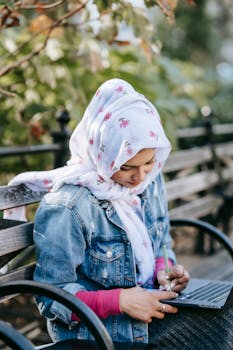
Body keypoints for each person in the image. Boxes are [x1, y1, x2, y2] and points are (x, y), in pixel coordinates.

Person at [6, 79, 233, 349]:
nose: (139, 177)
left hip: (150, 312)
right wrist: (121, 301)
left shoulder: (148, 184)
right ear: (104, 152)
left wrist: (165, 271)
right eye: (126, 167)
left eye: (148, 162)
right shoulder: (67, 206)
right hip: (101, 334)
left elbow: (161, 241)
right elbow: (52, 298)